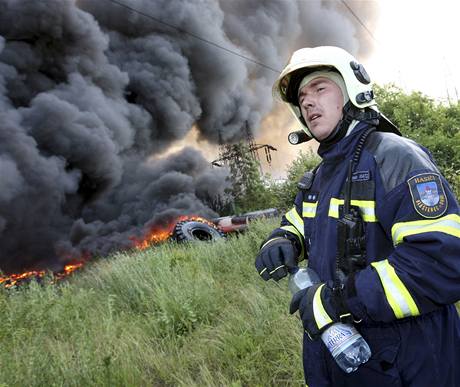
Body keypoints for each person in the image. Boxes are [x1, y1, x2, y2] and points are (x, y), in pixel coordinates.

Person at [255, 46, 460, 386]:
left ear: (353, 90)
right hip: (345, 362)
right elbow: (302, 220)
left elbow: (440, 263)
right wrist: (284, 238)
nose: (308, 102)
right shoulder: (320, 176)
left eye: (320, 88)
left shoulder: (394, 158)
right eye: (302, 97)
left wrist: (337, 300)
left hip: (408, 363)